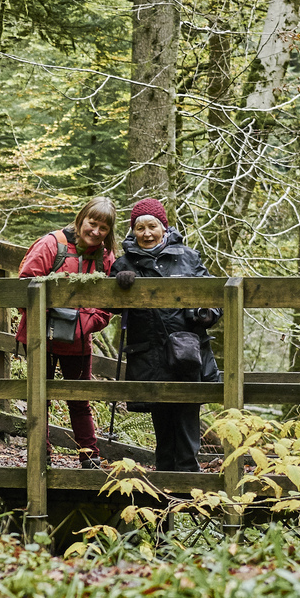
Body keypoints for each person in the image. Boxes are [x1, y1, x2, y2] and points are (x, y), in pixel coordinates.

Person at [111, 198, 221, 472]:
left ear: (164, 227)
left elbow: (216, 295)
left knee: (187, 413)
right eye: (140, 228)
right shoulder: (124, 263)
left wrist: (206, 313)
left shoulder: (189, 257)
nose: (146, 233)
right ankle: (164, 481)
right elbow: (106, 304)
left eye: (152, 226)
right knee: (161, 415)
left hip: (187, 350)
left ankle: (187, 477)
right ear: (132, 231)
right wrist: (118, 284)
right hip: (150, 353)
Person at [14, 196, 117, 467]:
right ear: (81, 219)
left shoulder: (106, 256)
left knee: (79, 399)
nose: (95, 232)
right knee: (39, 395)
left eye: (103, 228)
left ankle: (90, 457)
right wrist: (47, 321)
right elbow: (24, 286)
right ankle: (40, 452)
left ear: (109, 232)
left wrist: (84, 325)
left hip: (79, 340)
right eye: (92, 224)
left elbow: (108, 304)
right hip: (40, 337)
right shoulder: (51, 244)